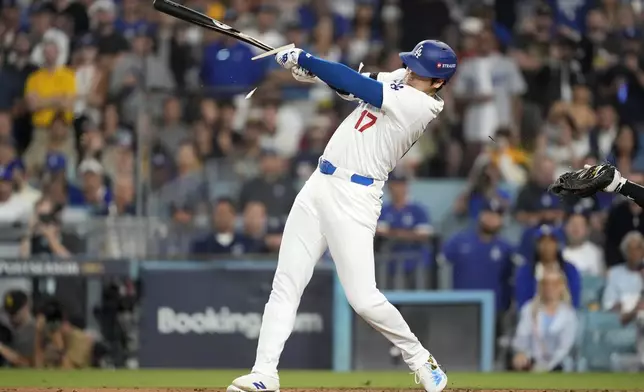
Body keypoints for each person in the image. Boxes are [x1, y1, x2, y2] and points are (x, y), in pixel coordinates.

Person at [227, 40, 455, 392]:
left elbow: (360, 86)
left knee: (364, 299)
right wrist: (314, 74)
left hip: (356, 197)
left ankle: (419, 356)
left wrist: (308, 60)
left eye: (421, 72)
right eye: (412, 65)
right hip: (319, 183)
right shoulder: (403, 78)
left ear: (438, 83)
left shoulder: (421, 105)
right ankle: (264, 374)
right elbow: (356, 84)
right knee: (285, 284)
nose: (411, 72)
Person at [511, 270, 578, 372]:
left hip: (559, 366)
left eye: (555, 284)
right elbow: (521, 338)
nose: (550, 288)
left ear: (562, 287)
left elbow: (564, 348)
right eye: (546, 284)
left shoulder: (569, 315)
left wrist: (547, 367)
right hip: (531, 365)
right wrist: (522, 354)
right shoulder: (529, 309)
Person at [514, 225, 582, 309]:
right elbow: (522, 301)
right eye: (542, 242)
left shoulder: (569, 269)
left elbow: (574, 299)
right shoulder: (526, 271)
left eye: (551, 242)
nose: (547, 246)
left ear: (557, 244)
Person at [603, 231, 644, 325]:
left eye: (638, 248)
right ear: (625, 253)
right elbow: (609, 305)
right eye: (631, 250)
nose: (635, 253)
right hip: (624, 321)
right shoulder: (615, 273)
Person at [0, 290, 36, 367]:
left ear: (26, 307)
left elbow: (28, 364)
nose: (11, 317)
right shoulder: (7, 329)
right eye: (9, 313)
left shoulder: (34, 331)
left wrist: (2, 348)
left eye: (14, 313)